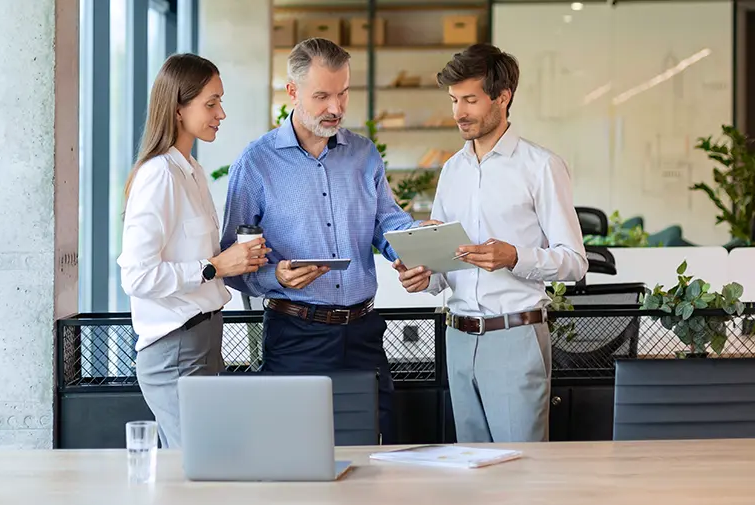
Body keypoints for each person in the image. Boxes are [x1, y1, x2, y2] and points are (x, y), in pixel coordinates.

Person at [220, 38, 436, 444]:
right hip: (295, 337)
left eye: (343, 93)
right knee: (294, 452)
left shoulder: (364, 155)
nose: (335, 108)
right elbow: (230, 262)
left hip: (364, 333)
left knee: (379, 451)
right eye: (322, 96)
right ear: (292, 92)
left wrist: (416, 247)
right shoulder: (256, 163)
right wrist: (276, 277)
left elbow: (387, 223)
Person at [394, 43, 588, 443]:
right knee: (472, 468)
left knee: (522, 468)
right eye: (454, 100)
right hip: (458, 339)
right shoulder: (452, 170)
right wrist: (423, 276)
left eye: (470, 100)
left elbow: (574, 261)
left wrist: (514, 257)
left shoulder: (541, 166)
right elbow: (445, 268)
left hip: (514, 336)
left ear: (503, 97)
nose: (458, 113)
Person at [117, 53, 269, 449]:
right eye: (211, 103)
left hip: (203, 343)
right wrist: (214, 267)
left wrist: (238, 260)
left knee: (205, 465)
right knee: (196, 468)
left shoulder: (192, 171)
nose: (221, 113)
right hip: (175, 350)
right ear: (178, 108)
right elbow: (137, 277)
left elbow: (203, 260)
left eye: (221, 101)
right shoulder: (159, 175)